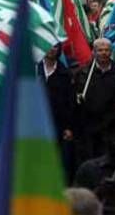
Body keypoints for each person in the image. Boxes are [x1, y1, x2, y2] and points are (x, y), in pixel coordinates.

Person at [74, 38, 115, 165]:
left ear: (111, 52)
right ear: (94, 52)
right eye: (100, 50)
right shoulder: (83, 74)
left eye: (106, 50)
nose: (103, 53)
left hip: (107, 127)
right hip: (86, 126)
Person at [74, 113, 115, 215]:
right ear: (105, 136)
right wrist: (97, 194)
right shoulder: (89, 169)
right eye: (114, 132)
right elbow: (75, 208)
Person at [37, 44, 76, 182]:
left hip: (56, 124)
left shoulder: (64, 73)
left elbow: (70, 102)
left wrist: (69, 127)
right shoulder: (34, 68)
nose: (51, 49)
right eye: (48, 46)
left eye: (55, 47)